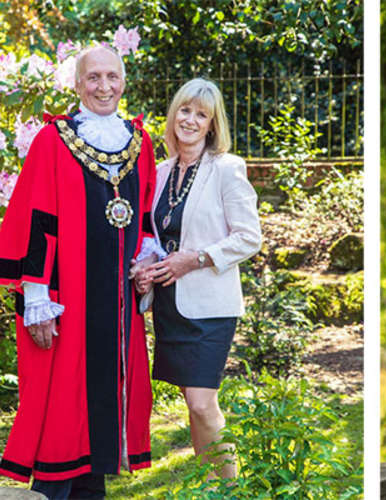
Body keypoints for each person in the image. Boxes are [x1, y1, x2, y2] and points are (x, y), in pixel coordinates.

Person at [0, 45, 156, 498]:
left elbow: (143, 217)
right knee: (60, 406)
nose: (104, 87)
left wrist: (146, 258)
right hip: (69, 297)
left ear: (124, 81)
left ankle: (91, 490)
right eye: (93, 78)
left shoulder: (139, 142)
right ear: (77, 84)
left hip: (116, 301)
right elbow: (36, 219)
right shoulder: (54, 139)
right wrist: (36, 296)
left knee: (102, 410)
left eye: (112, 77)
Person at [132, 78, 261, 478]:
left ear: (211, 125)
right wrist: (145, 270)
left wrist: (198, 258)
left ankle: (230, 487)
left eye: (201, 114)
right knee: (193, 403)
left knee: (204, 403)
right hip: (171, 305)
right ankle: (210, 486)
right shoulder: (159, 172)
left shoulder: (226, 168)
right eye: (185, 111)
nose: (190, 120)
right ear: (174, 116)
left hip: (210, 307)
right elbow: (156, 237)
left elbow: (249, 237)